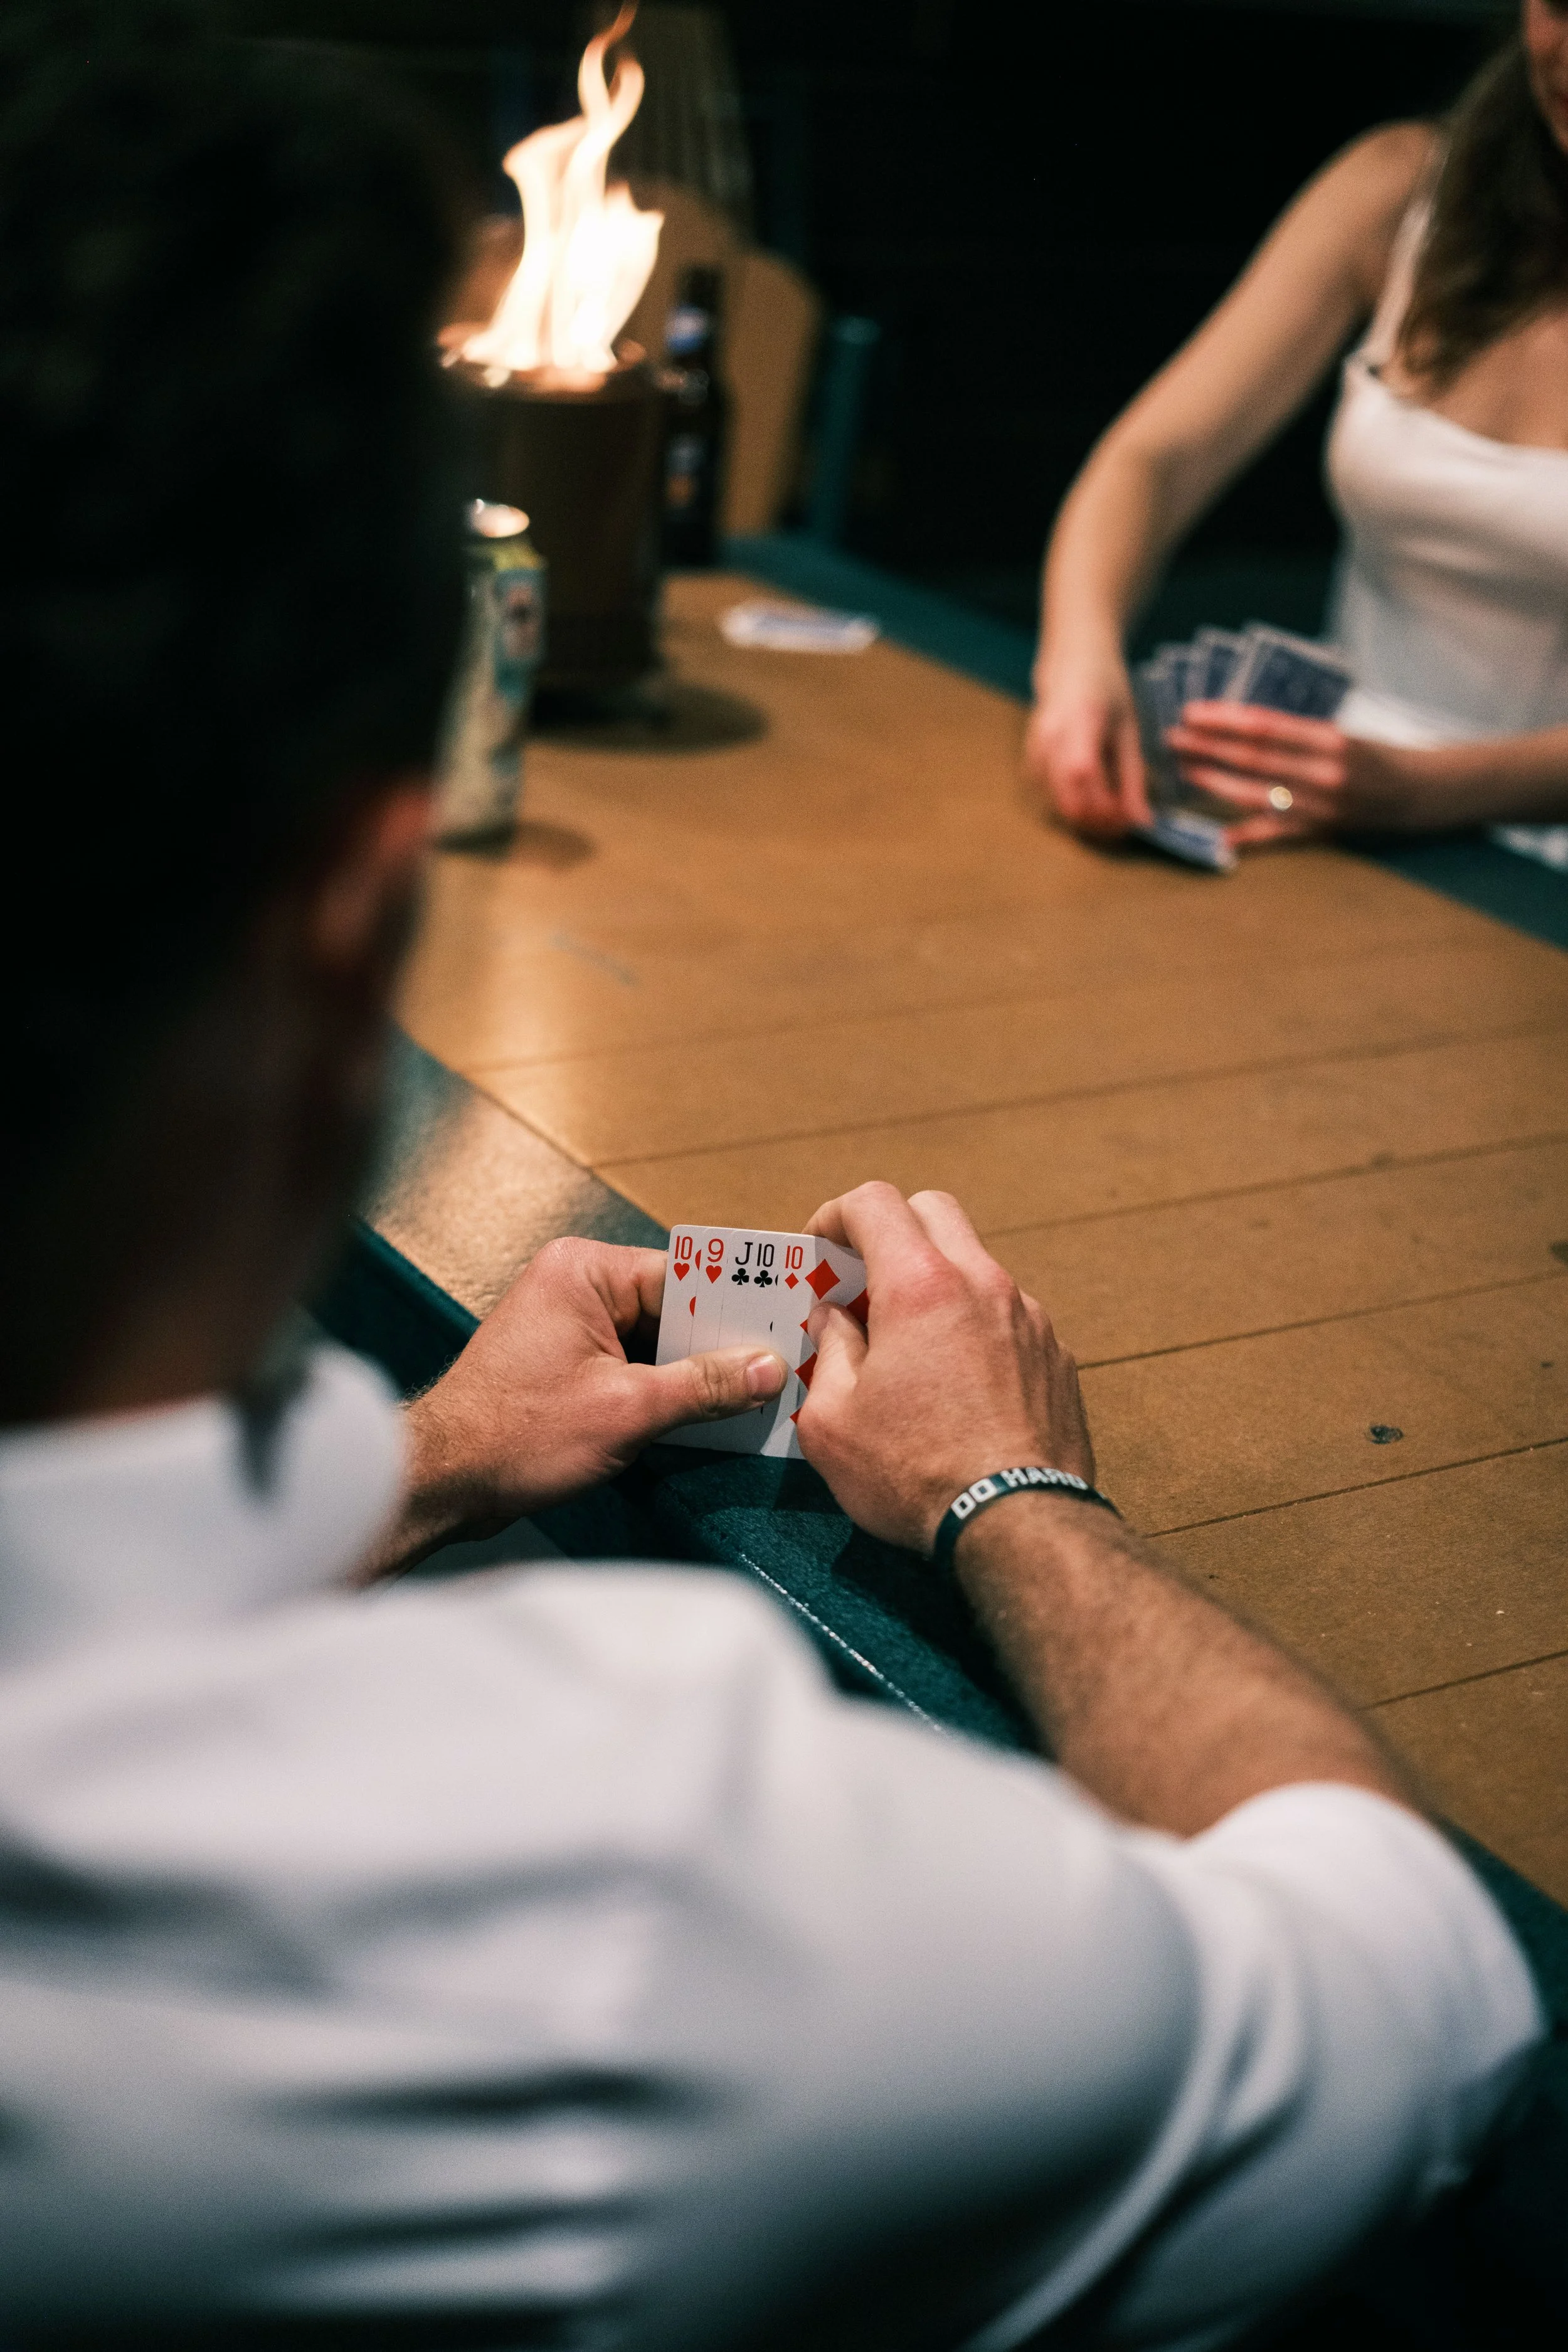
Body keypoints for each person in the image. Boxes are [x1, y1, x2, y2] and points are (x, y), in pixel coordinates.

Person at [0, 9, 1542, 2349]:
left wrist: (418, 1459)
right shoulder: (619, 1897)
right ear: (355, 910)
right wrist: (1018, 1490)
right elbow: (1415, 1980)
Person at [1027, 1, 1568, 856]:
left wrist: (1427, 789)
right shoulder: (1399, 189)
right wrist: (1078, 656)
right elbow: (1155, 459)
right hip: (1325, 809)